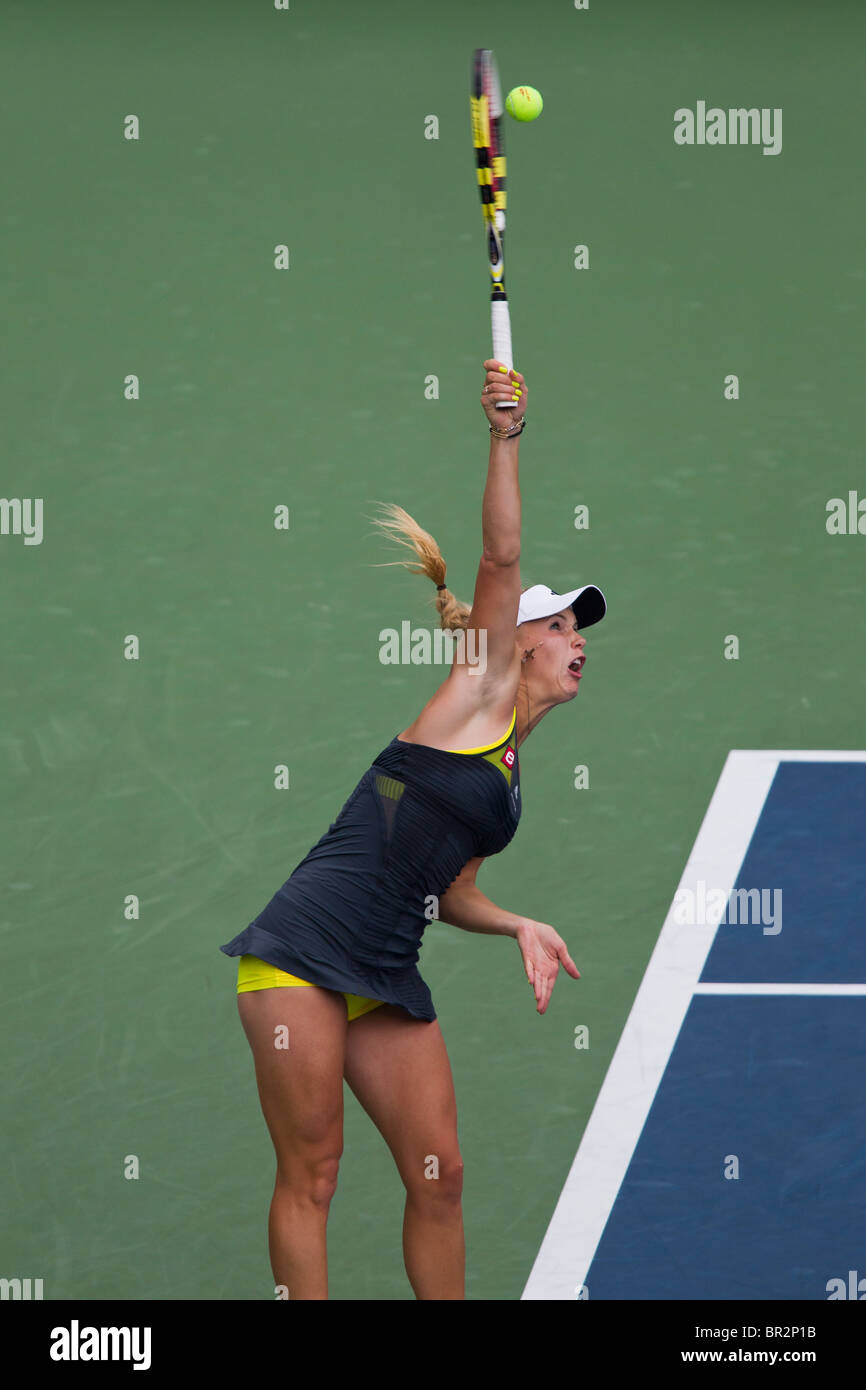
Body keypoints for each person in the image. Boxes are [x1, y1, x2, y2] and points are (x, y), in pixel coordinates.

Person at [220, 360, 607, 1300]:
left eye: (579, 629)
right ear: (513, 639)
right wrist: (505, 436)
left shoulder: (509, 780)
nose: (579, 639)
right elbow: (503, 557)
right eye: (560, 625)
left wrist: (516, 923)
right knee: (313, 1176)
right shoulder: (475, 689)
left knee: (443, 1177)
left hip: (385, 969)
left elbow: (452, 890)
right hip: (305, 952)